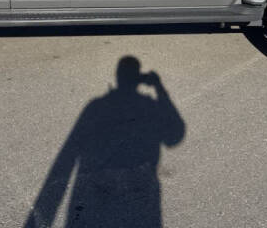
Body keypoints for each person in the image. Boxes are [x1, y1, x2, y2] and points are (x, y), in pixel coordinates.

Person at [24, 56, 185, 228]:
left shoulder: (96, 106)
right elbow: (174, 137)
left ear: (117, 77)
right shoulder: (150, 106)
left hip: (95, 195)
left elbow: (67, 155)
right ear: (139, 79)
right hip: (140, 196)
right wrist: (159, 87)